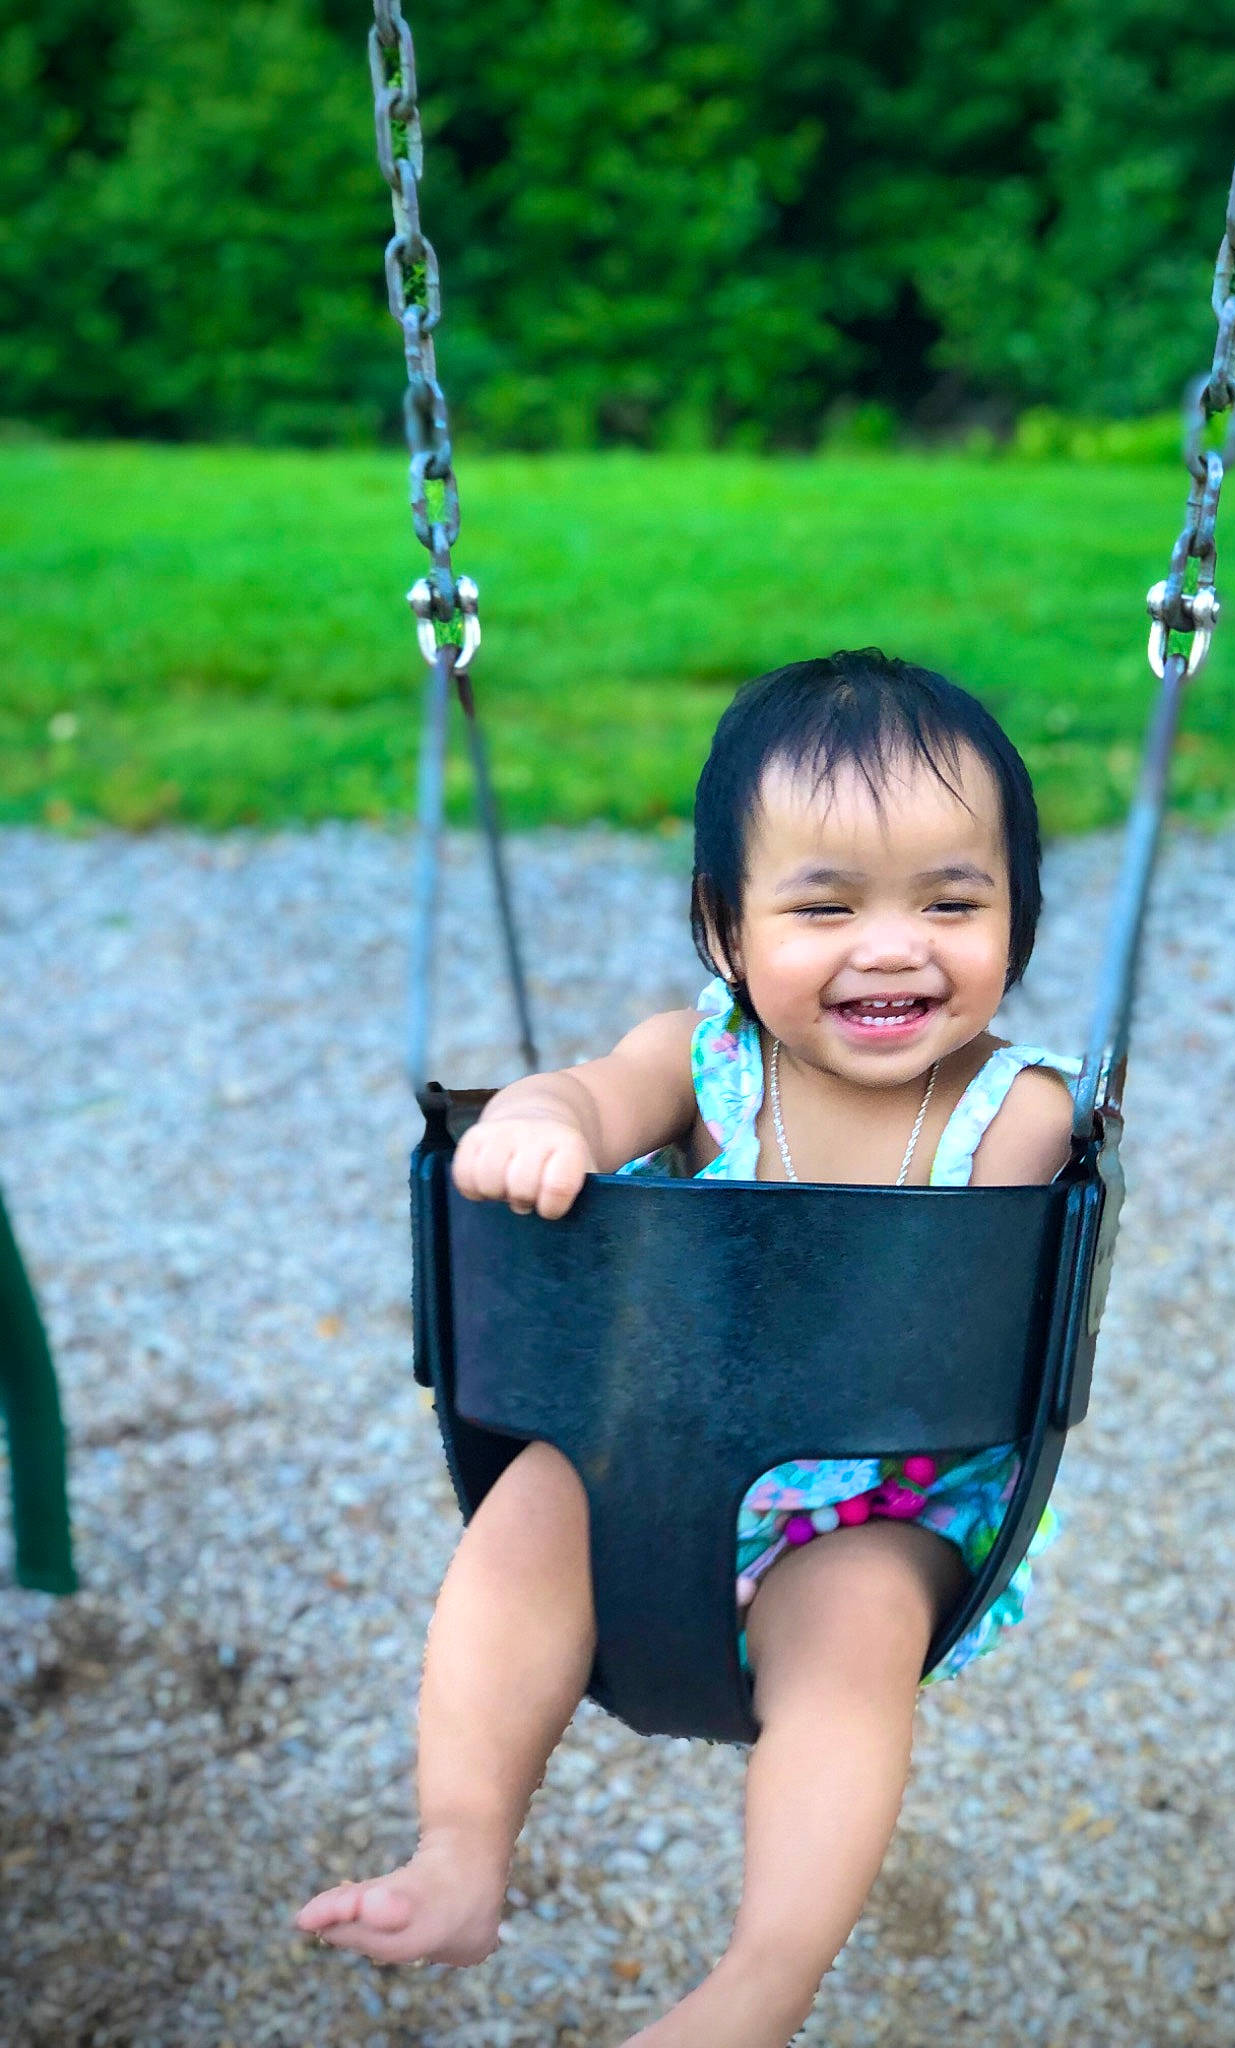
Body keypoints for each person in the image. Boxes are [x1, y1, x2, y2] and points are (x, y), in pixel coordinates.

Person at [296, 649, 1080, 2047]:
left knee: (855, 1641)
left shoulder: (1015, 1114)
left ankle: (759, 1985)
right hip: (660, 1454)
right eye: (824, 904)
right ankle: (461, 1847)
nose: (892, 947)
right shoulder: (699, 1055)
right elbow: (586, 1094)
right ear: (724, 929)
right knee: (534, 1511)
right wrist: (542, 1125)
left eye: (952, 902)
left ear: (1017, 919)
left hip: (881, 1492)